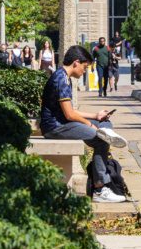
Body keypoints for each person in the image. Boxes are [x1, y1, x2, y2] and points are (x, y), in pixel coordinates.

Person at [41, 45, 128, 201]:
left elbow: (71, 111)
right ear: (76, 62)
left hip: (62, 123)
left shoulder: (63, 77)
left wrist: (96, 116)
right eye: (84, 67)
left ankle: (107, 131)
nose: (84, 71)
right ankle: (100, 189)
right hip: (55, 127)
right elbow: (69, 114)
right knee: (101, 141)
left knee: (103, 123)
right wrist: (89, 125)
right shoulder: (61, 79)